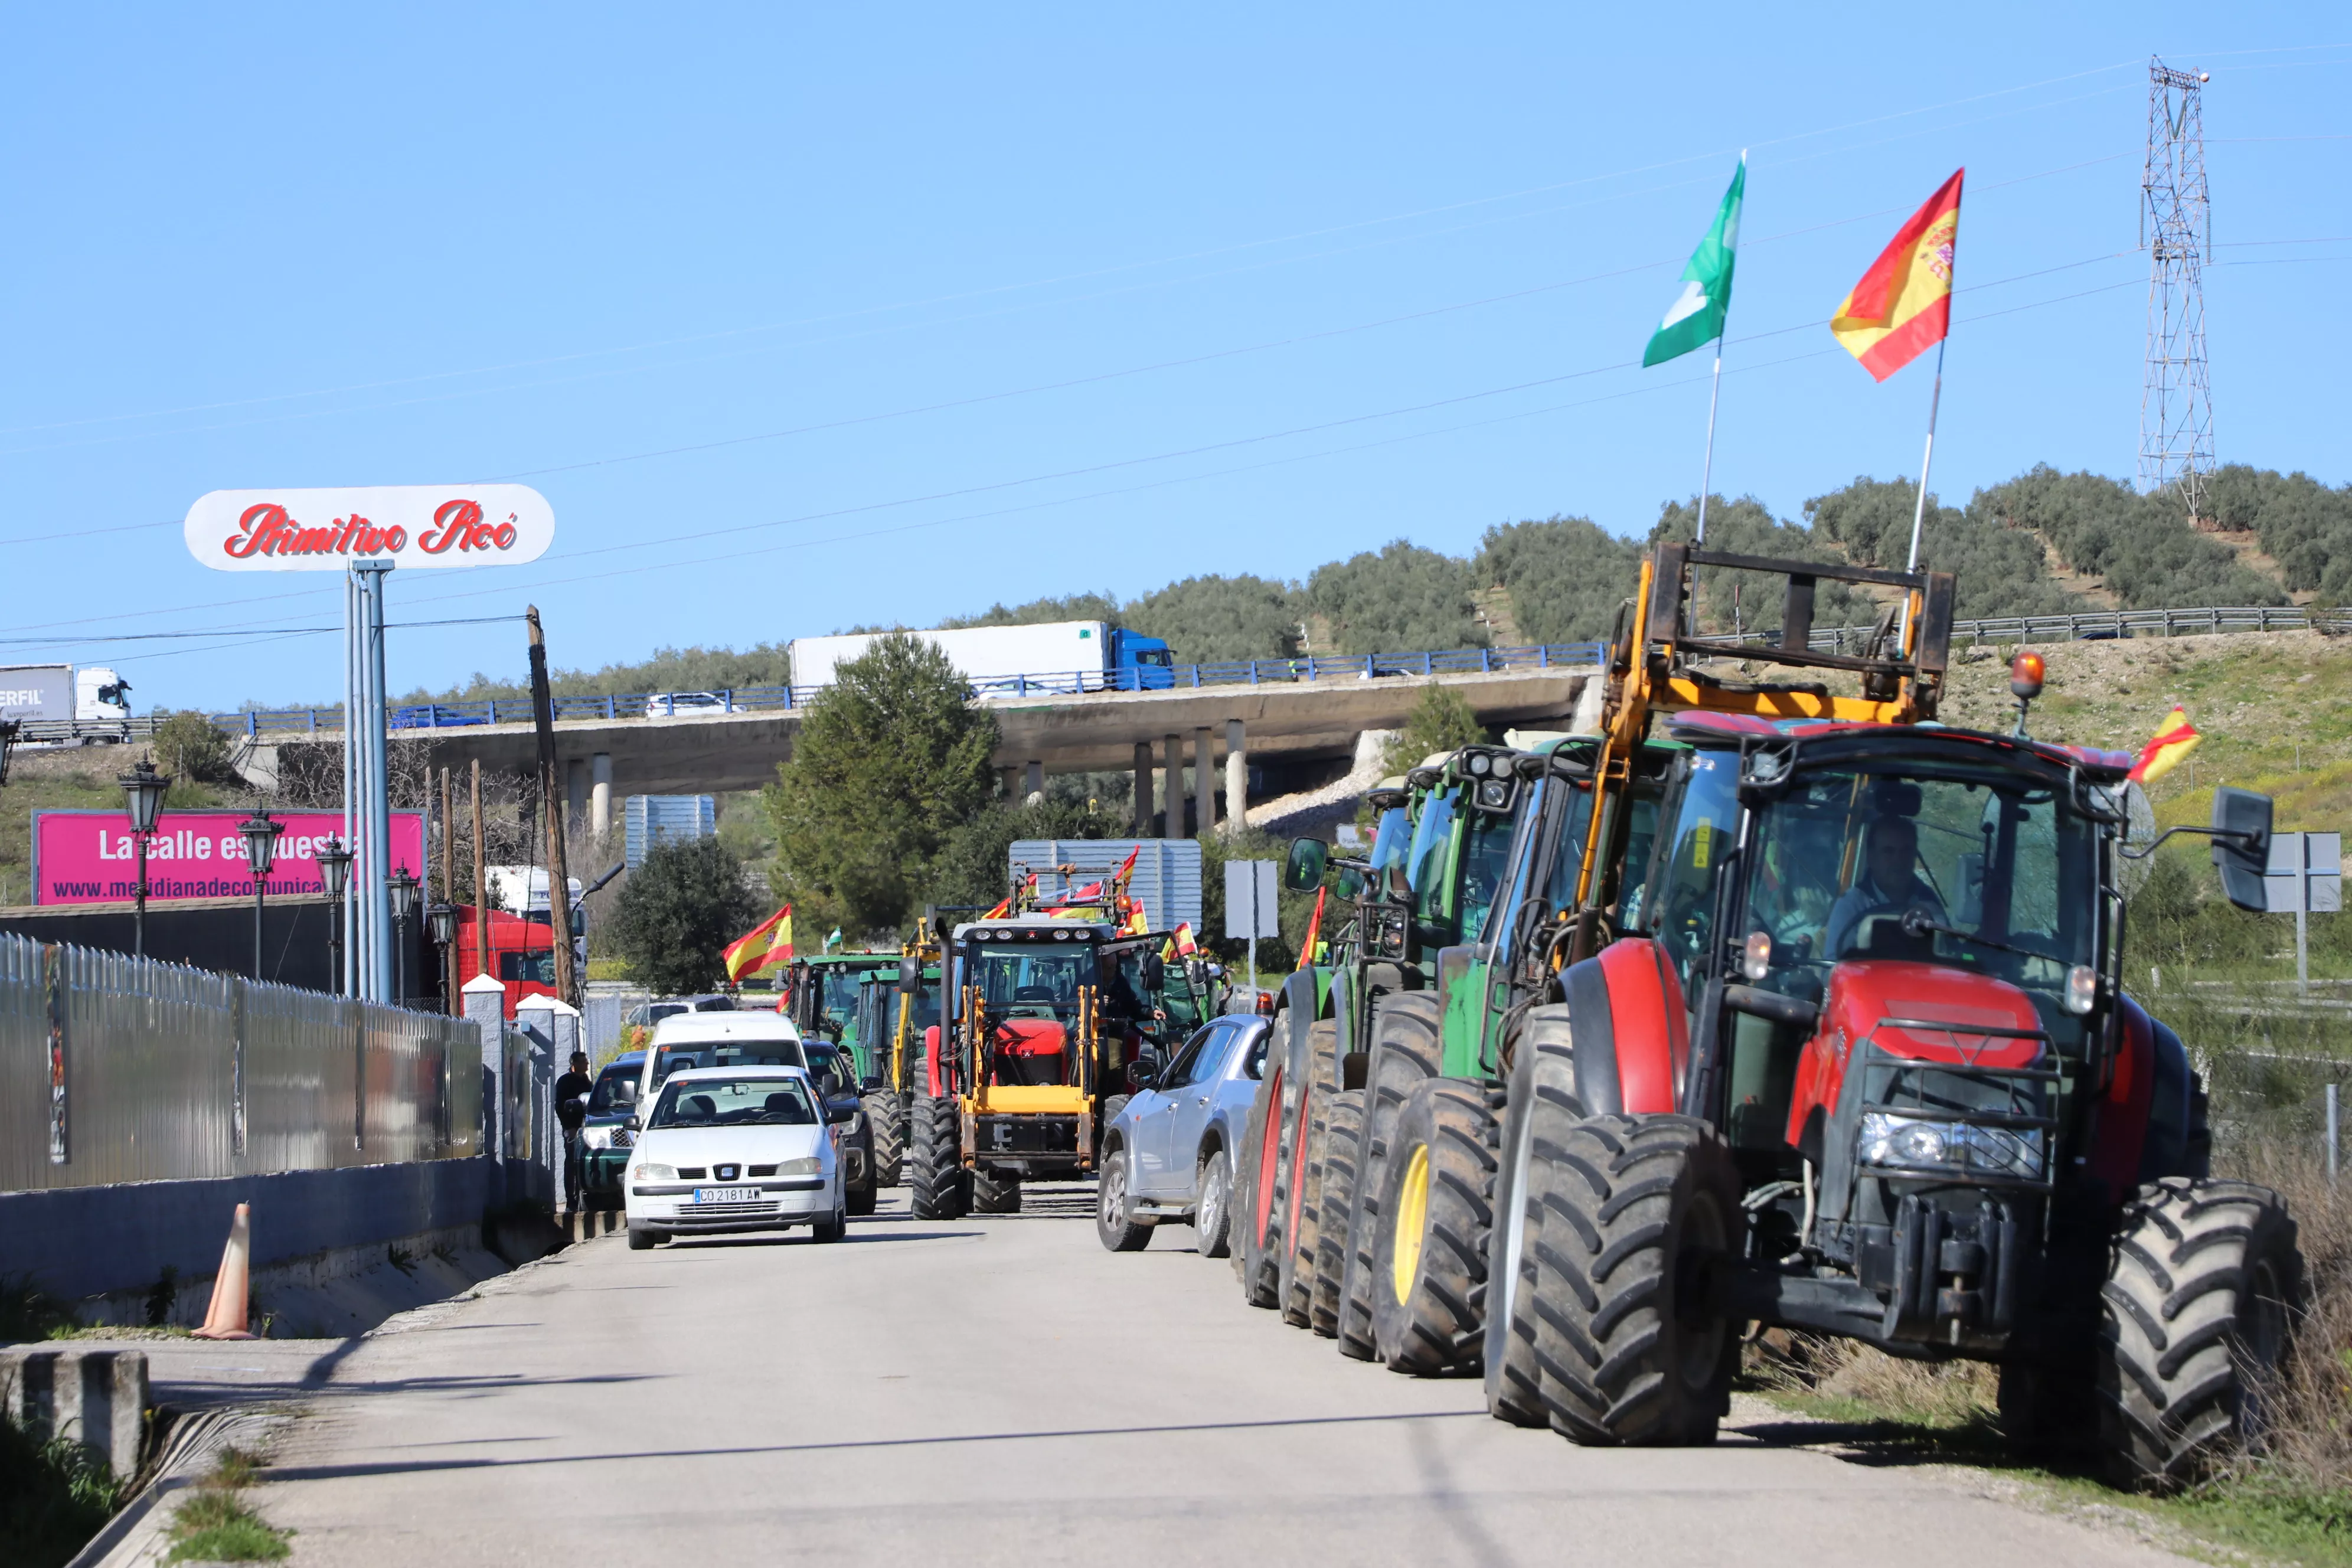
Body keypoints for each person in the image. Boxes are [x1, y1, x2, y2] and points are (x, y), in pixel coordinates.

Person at [1824, 815, 1948, 960]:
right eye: (1888, 851)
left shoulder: (1928, 902)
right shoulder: (1851, 905)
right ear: (1871, 857)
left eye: (1906, 851)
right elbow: (1832, 970)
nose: (1899, 860)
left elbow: (1950, 955)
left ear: (1915, 854)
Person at [555, 1050, 594, 1213]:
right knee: (571, 1162)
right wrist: (568, 1127)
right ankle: (571, 1200)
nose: (586, 1064)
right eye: (583, 1061)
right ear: (575, 1064)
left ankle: (585, 1199)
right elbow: (560, 1106)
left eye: (586, 1061)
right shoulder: (565, 1082)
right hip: (572, 1129)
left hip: (587, 1128)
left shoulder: (587, 1082)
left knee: (585, 1163)